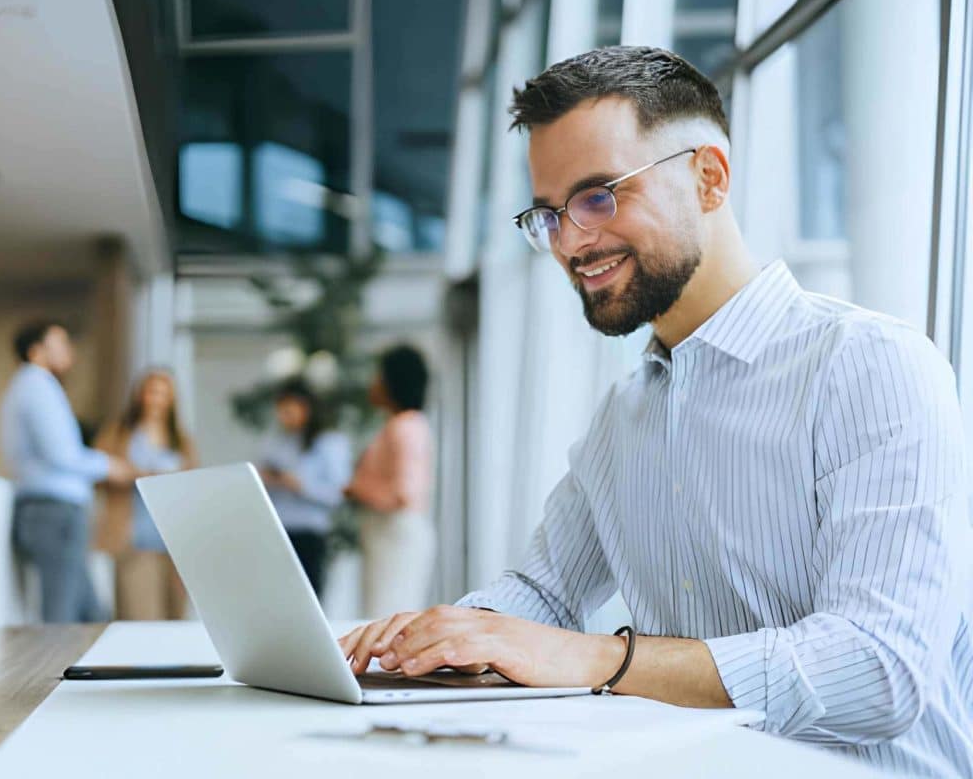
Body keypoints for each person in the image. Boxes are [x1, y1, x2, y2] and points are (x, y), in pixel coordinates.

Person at [340, 46, 973, 778]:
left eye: (600, 195)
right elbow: (543, 591)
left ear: (709, 177)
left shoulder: (870, 366)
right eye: (549, 214)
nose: (571, 241)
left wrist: (599, 655)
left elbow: (877, 668)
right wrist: (431, 638)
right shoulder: (627, 410)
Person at [0, 321, 133, 623]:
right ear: (35, 352)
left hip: (52, 512)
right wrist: (110, 466)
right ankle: (56, 670)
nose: (69, 351)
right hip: (54, 512)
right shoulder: (38, 386)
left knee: (89, 614)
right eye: (59, 344)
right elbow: (61, 454)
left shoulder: (29, 387)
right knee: (63, 616)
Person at [95, 369, 200, 620]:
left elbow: (194, 490)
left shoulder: (181, 440)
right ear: (140, 395)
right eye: (152, 391)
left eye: (164, 393)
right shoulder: (118, 434)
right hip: (134, 542)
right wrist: (134, 474)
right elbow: (98, 473)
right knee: (140, 619)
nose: (157, 399)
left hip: (173, 547)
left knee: (174, 621)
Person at [345, 345, 435, 619]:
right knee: (383, 613)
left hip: (395, 534)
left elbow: (404, 494)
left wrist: (356, 488)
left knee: (387, 617)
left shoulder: (405, 426)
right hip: (388, 534)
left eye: (379, 376)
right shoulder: (402, 424)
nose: (374, 384)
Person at [258, 379, 352, 595]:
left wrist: (300, 486)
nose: (284, 417)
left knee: (309, 595)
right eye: (281, 411)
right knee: (277, 596)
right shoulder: (276, 441)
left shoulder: (329, 443)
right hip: (278, 530)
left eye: (289, 410)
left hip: (310, 534)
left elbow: (338, 494)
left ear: (306, 408)